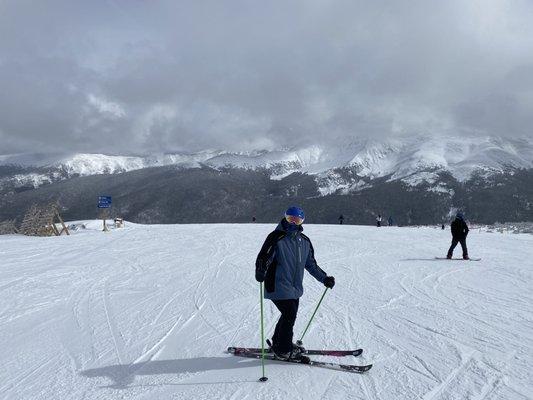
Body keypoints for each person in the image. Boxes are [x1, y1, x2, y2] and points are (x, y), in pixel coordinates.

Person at [255, 206, 335, 360]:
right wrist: (260, 270)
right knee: (289, 314)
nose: (293, 222)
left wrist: (324, 278)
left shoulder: (304, 241)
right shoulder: (276, 237)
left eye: (297, 220)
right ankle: (283, 349)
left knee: (288, 315)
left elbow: (311, 264)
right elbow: (264, 257)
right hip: (276, 284)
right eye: (290, 219)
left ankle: (279, 342)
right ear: (285, 218)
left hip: (294, 287)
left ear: (301, 222)